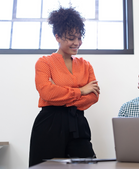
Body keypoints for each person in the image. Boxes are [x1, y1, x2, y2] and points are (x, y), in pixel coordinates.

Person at [29, 7, 100, 167]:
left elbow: (93, 96)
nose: (77, 43)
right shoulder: (44, 62)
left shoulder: (86, 65)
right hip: (49, 124)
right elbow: (47, 93)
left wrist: (59, 94)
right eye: (71, 38)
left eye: (79, 37)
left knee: (85, 164)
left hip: (78, 123)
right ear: (57, 37)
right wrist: (81, 91)